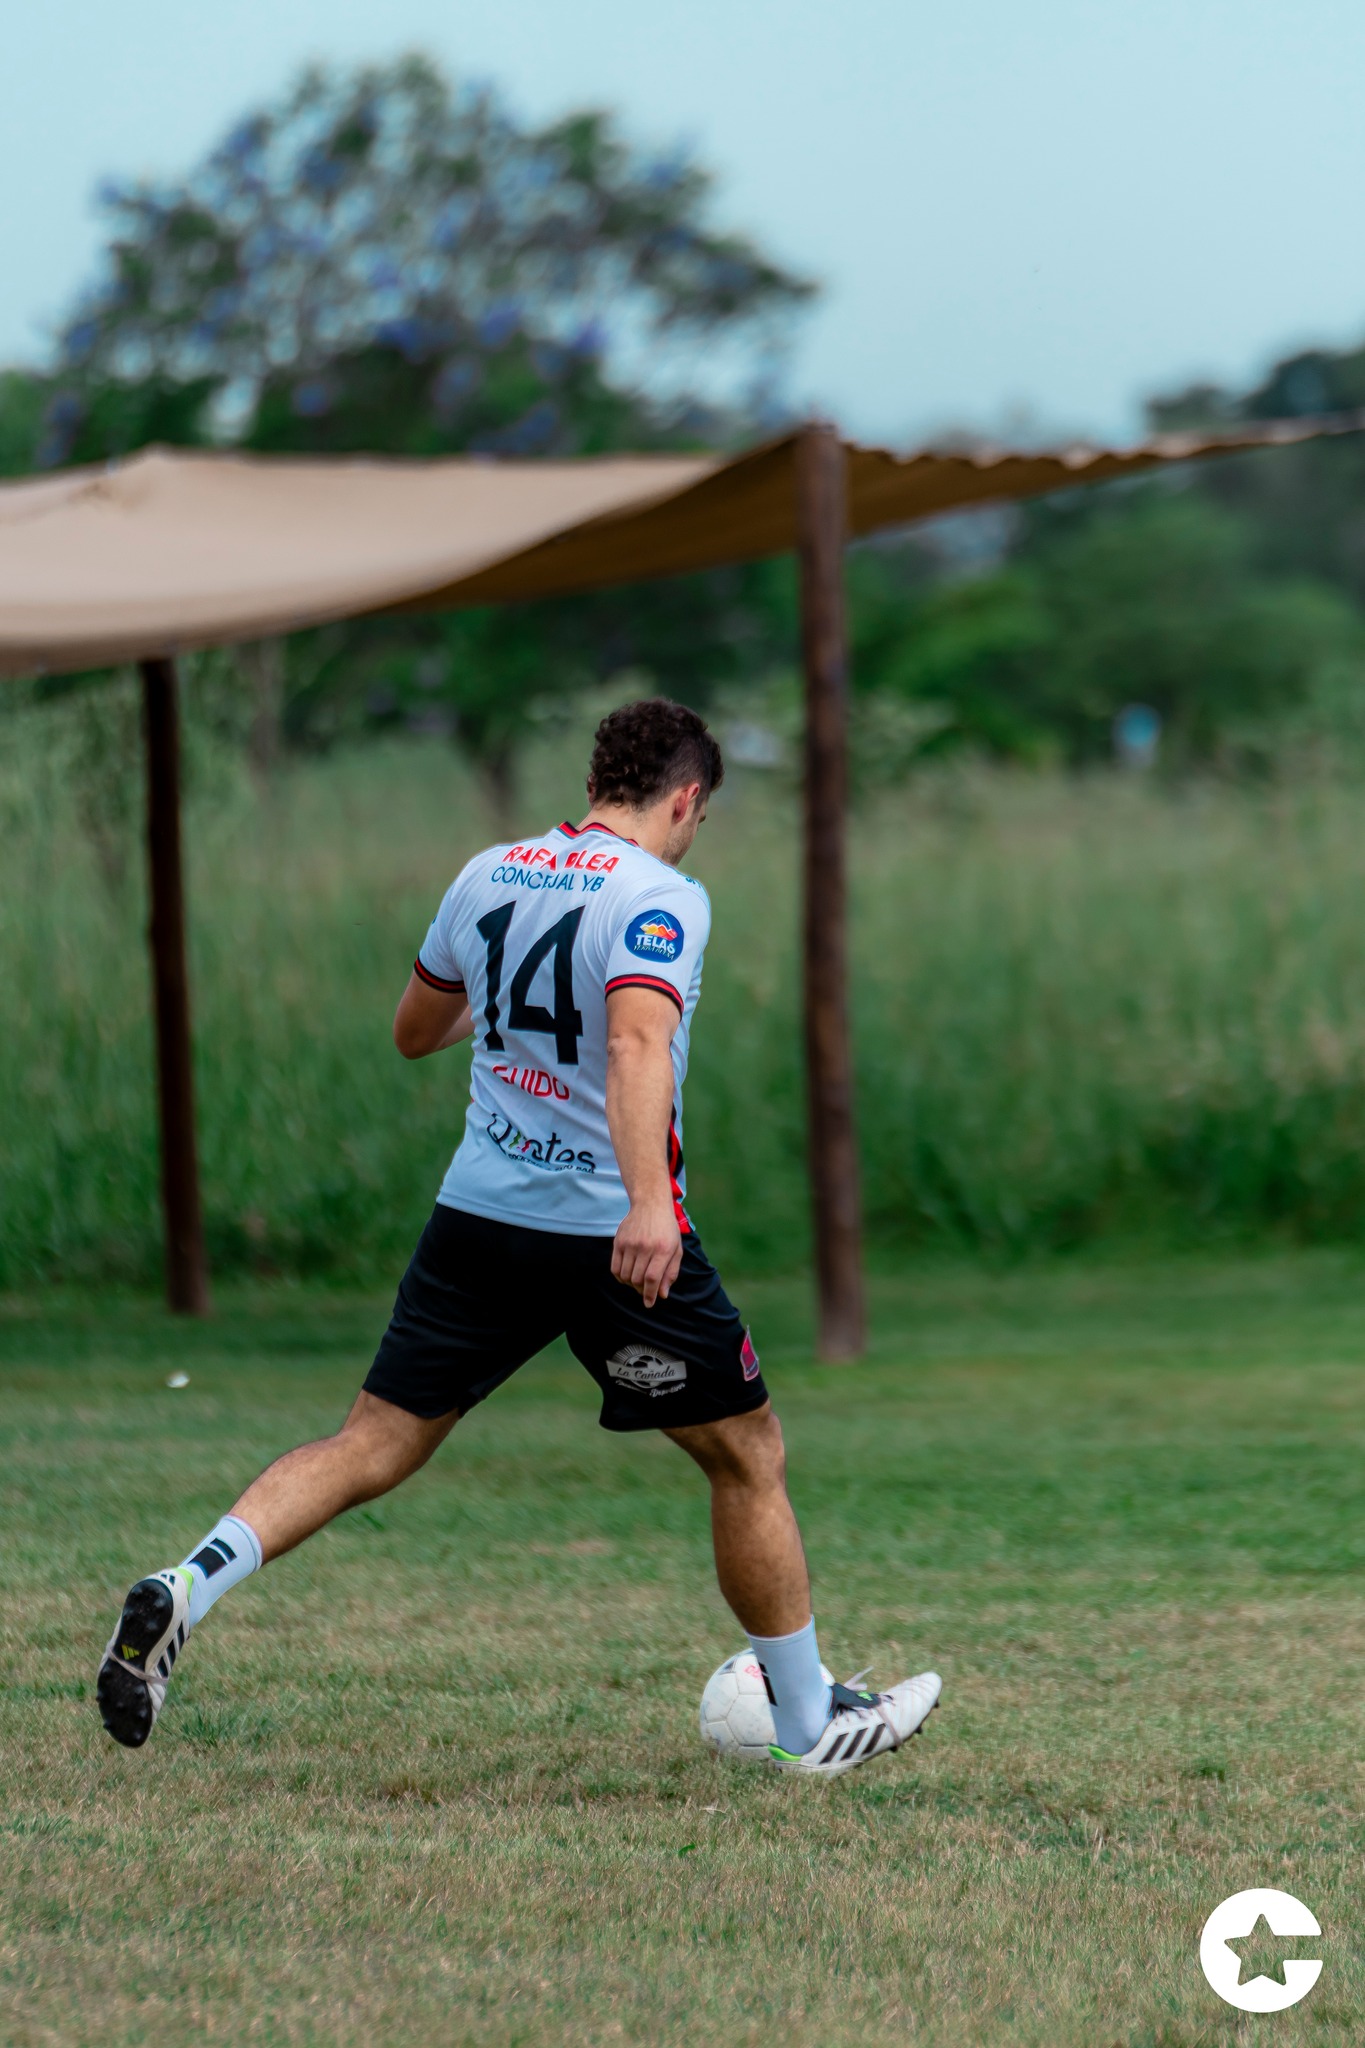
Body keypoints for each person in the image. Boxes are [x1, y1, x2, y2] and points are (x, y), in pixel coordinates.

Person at [96, 698, 940, 1777]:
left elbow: (413, 1030)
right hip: (604, 1230)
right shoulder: (663, 896)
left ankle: (186, 1583)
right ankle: (805, 1720)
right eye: (701, 815)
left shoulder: (487, 871)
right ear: (686, 800)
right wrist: (645, 1202)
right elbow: (638, 1043)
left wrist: (504, 1011)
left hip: (478, 1215)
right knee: (748, 1453)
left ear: (598, 778)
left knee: (370, 1442)